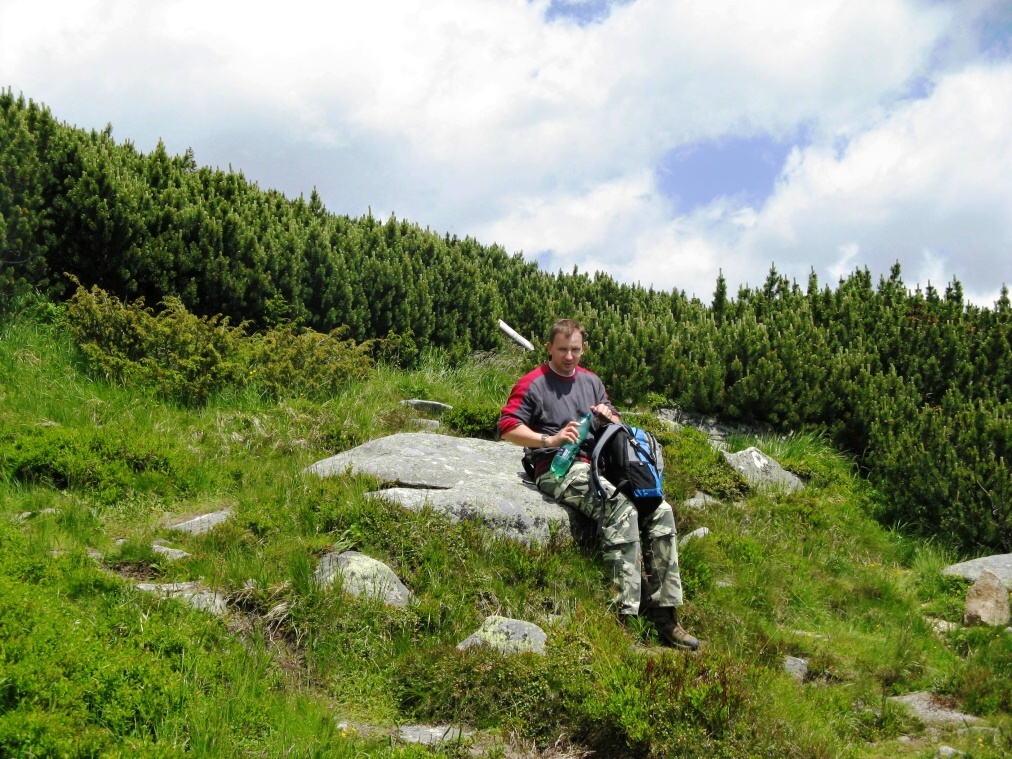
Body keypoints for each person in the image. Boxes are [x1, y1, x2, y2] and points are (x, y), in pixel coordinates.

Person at [498, 319, 699, 650]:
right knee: (620, 508)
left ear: (584, 349)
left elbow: (616, 420)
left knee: (660, 509)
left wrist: (609, 417)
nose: (569, 356)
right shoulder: (533, 383)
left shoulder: (591, 381)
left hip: (600, 465)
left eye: (575, 350)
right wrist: (550, 440)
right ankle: (626, 616)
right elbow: (507, 427)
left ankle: (666, 615)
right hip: (556, 468)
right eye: (562, 349)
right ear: (549, 348)